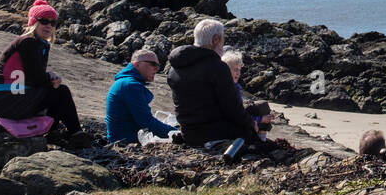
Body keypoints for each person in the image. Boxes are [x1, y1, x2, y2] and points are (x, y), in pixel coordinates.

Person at [0, 0, 91, 146]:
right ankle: (76, 135)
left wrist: (48, 79)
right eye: (44, 21)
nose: (49, 26)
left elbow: (34, 77)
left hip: (6, 97)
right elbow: (35, 78)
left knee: (52, 92)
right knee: (61, 92)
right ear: (33, 22)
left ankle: (53, 132)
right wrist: (50, 78)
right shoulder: (28, 42)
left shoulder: (39, 44)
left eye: (53, 23)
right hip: (3, 98)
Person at [166, 18, 257, 146]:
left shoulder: (175, 68)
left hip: (188, 132)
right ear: (215, 39)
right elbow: (232, 108)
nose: (223, 45)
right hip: (213, 132)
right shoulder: (217, 67)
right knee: (253, 123)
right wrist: (250, 123)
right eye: (223, 40)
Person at [105, 49, 177, 145]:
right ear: (137, 65)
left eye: (158, 66)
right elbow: (146, 121)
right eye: (153, 64)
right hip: (126, 141)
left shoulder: (125, 82)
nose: (157, 69)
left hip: (121, 138)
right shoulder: (130, 85)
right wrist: (175, 133)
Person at [222, 50, 275, 144]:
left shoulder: (234, 86)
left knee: (262, 105)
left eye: (239, 69)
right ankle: (260, 141)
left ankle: (261, 137)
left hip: (235, 119)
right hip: (229, 125)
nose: (238, 73)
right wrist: (260, 119)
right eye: (235, 69)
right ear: (224, 69)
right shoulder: (227, 89)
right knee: (260, 110)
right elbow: (234, 116)